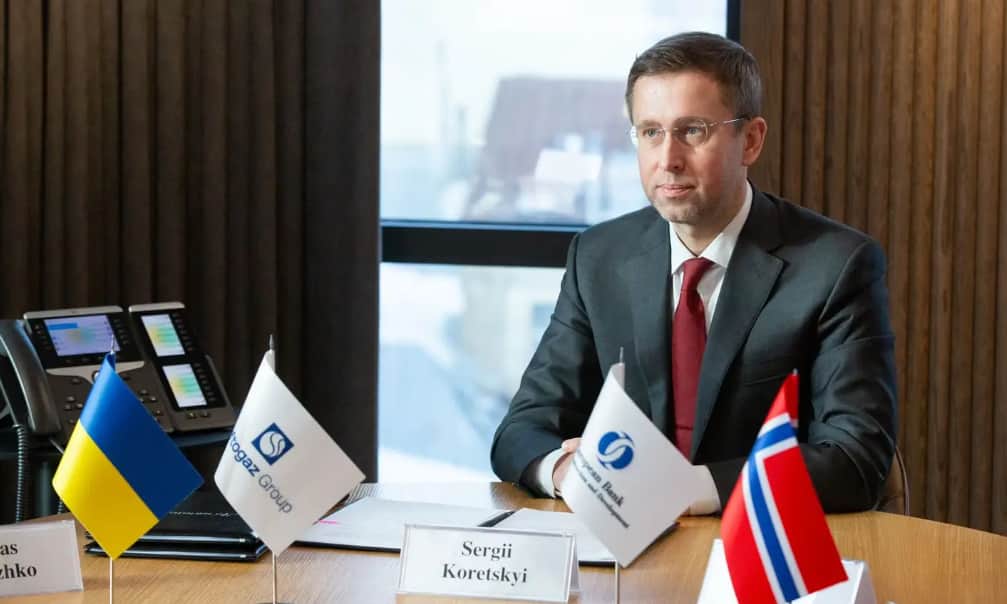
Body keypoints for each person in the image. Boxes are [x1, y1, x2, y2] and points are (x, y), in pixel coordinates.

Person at [489, 31, 897, 514]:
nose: (668, 160)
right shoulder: (599, 257)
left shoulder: (836, 265)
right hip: (624, 543)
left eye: (693, 131)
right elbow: (523, 428)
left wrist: (686, 489)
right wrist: (565, 471)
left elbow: (855, 459)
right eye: (650, 132)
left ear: (750, 141)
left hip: (762, 545)